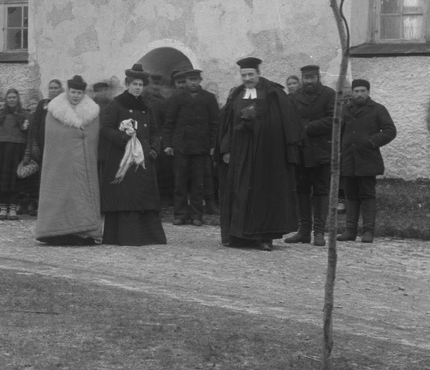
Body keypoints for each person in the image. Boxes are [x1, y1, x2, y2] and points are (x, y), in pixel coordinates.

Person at [218, 57, 303, 250]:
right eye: (244, 75)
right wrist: (226, 149)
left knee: (263, 194)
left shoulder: (273, 94)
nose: (247, 78)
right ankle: (239, 237)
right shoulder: (237, 94)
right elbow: (228, 125)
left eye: (250, 74)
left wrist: (256, 122)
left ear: (258, 73)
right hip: (240, 154)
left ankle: (265, 238)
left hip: (265, 154)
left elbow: (283, 124)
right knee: (239, 192)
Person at [100, 64, 166, 246]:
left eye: (141, 85)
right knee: (125, 196)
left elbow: (154, 129)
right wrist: (123, 137)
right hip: (123, 159)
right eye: (135, 84)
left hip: (143, 159)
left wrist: (154, 148)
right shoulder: (117, 103)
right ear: (127, 84)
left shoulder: (146, 105)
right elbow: (106, 129)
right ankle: (124, 236)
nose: (138, 87)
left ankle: (147, 236)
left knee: (142, 196)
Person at [35, 75, 102, 245]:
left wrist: (80, 137)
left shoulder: (92, 112)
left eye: (79, 92)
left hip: (82, 166)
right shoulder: (55, 111)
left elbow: (93, 137)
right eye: (73, 92)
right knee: (59, 194)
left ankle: (83, 231)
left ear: (83, 93)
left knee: (81, 196)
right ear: (68, 91)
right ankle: (55, 231)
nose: (75, 95)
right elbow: (52, 137)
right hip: (60, 165)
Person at [336, 79, 397, 243]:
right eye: (356, 91)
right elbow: (338, 132)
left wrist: (373, 141)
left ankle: (368, 231)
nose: (359, 94)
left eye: (362, 91)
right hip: (348, 160)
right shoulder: (345, 110)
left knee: (367, 195)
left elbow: (390, 131)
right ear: (352, 93)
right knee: (350, 195)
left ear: (368, 92)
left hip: (368, 160)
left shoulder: (377, 109)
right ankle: (350, 231)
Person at [285, 65, 335, 246]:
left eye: (312, 77)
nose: (309, 81)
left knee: (321, 190)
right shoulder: (294, 98)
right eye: (306, 78)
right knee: (302, 190)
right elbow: (288, 120)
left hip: (321, 151)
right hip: (301, 152)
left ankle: (319, 232)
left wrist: (306, 127)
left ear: (318, 77)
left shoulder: (329, 95)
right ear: (302, 78)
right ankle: (304, 231)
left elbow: (334, 120)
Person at [162, 67, 219, 226]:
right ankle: (180, 214)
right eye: (190, 80)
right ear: (186, 82)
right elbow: (169, 123)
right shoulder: (177, 98)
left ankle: (196, 215)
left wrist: (213, 145)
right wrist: (168, 144)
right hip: (181, 146)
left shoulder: (208, 98)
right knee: (180, 182)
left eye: (195, 80)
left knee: (198, 183)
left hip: (201, 146)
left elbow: (215, 124)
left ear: (200, 81)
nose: (192, 83)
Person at [0, 87, 31, 220]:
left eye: (14, 97)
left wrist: (27, 153)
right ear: (6, 99)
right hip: (2, 149)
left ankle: (13, 208)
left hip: (18, 149)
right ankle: (3, 208)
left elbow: (29, 136)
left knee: (14, 180)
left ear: (18, 99)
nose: (12, 100)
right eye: (9, 97)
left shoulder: (24, 115)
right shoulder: (0, 114)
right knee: (3, 180)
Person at [24, 79, 63, 216]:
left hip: (59, 148)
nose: (53, 90)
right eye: (51, 88)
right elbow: (35, 125)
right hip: (43, 146)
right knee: (43, 178)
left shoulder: (64, 104)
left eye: (56, 88)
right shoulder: (42, 104)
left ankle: (57, 207)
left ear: (61, 89)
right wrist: (34, 144)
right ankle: (42, 206)